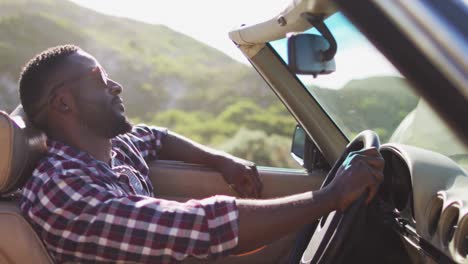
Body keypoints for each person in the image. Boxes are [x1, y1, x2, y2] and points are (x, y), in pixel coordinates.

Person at [18, 45, 384, 263]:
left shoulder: (111, 148)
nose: (116, 86)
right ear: (63, 103)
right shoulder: (61, 189)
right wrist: (332, 196)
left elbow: (155, 137)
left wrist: (221, 161)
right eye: (99, 78)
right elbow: (199, 227)